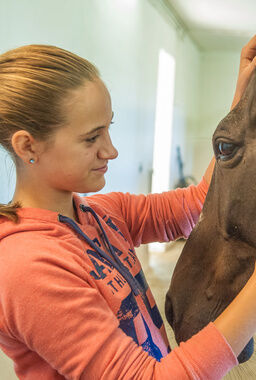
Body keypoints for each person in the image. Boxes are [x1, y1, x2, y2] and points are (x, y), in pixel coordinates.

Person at [0, 36, 255, 380]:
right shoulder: (28, 268)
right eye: (92, 138)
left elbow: (198, 201)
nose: (111, 151)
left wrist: (243, 101)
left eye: (109, 129)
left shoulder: (101, 214)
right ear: (28, 145)